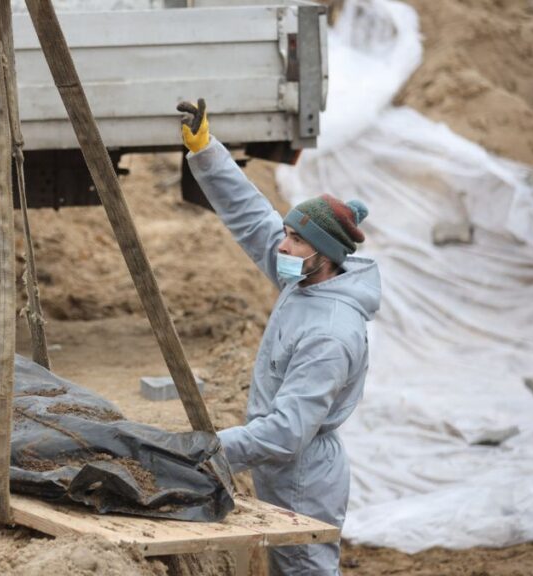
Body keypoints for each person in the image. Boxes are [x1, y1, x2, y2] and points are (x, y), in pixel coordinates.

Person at [177, 99, 381, 575]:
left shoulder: (330, 334)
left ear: (326, 255)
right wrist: (206, 151)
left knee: (304, 568)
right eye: (287, 233)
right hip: (280, 465)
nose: (282, 246)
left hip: (303, 476)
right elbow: (251, 217)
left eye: (295, 239)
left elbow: (288, 432)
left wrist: (209, 450)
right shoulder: (305, 277)